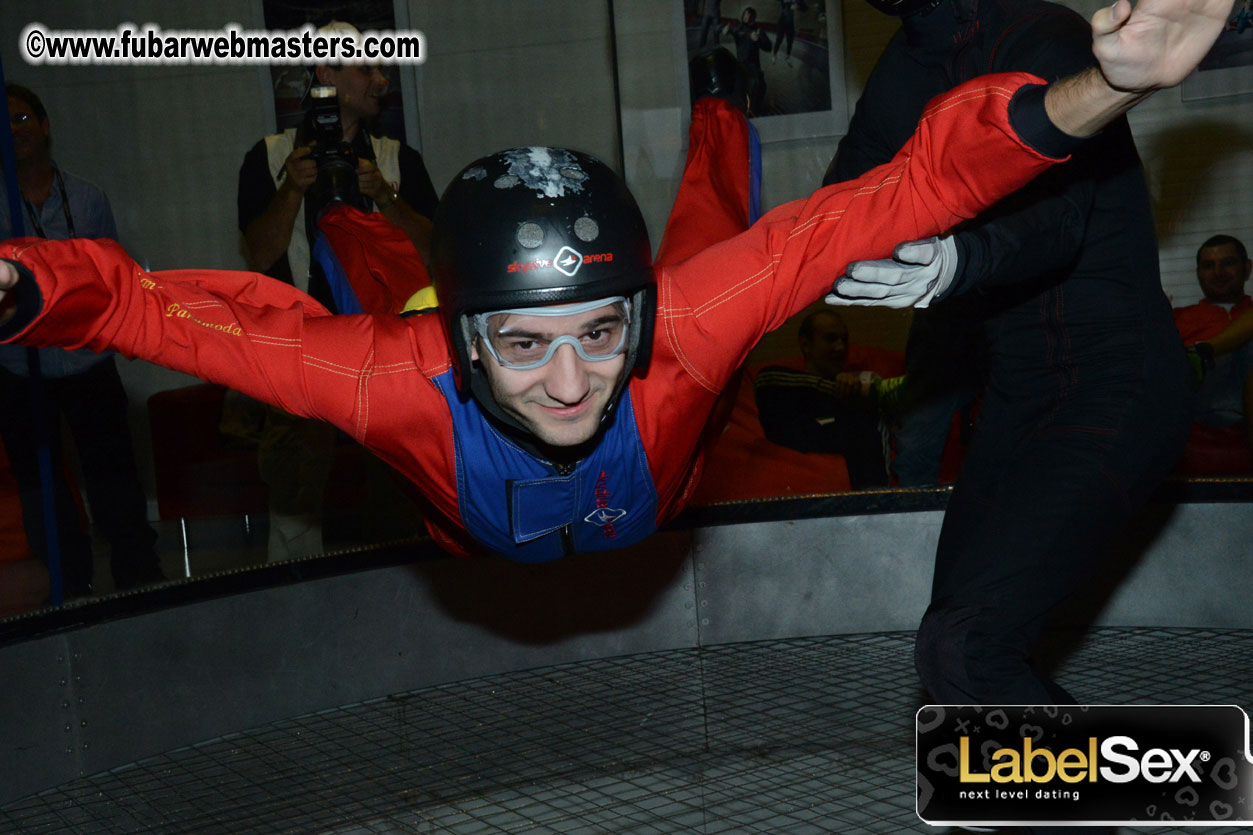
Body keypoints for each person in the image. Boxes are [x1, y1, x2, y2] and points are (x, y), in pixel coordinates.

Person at [0, 0, 1232, 564]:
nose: (575, 381)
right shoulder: (389, 380)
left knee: (714, 236)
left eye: (598, 330)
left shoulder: (673, 329)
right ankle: (372, 231)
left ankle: (708, 123)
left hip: (656, 346)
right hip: (423, 349)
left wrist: (1104, 84)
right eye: (527, 347)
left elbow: (900, 192)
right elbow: (142, 307)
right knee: (373, 276)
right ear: (473, 350)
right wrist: (20, 283)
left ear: (630, 319)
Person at [823, 2, 1199, 831]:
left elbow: (1058, 216)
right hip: (1020, 396)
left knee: (963, 646)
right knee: (957, 674)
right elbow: (840, 205)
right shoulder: (907, 60)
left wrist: (960, 257)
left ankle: (1167, 812)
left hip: (1115, 382)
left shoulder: (1044, 36)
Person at [235, 20, 441, 560]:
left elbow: (436, 256)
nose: (381, 80)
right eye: (368, 67)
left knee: (401, 481)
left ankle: (409, 587)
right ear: (326, 71)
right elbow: (259, 255)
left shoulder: (398, 161)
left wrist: (387, 198)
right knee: (294, 491)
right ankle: (295, 601)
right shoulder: (269, 158)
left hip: (385, 347)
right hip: (299, 342)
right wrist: (292, 189)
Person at [0, 84, 163, 596]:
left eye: (23, 119)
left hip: (88, 361)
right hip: (18, 370)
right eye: (4, 125)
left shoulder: (88, 198)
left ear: (46, 126)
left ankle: (138, 582)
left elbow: (114, 278)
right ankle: (68, 594)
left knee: (115, 477)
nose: (15, 131)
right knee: (40, 489)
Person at [753, 310, 891, 488]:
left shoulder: (863, 382)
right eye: (830, 339)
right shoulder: (784, 389)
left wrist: (855, 391)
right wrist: (836, 387)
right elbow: (766, 381)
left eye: (844, 340)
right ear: (806, 345)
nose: (840, 347)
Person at [1173, 234, 1253, 457]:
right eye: (1208, 266)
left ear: (1247, 268)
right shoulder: (1176, 319)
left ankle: (1203, 351)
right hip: (1198, 401)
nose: (1218, 272)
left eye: (1228, 263)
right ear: (1198, 274)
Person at [723, 7, 772, 115]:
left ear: (754, 18)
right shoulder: (738, 29)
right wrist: (725, 30)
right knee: (737, 87)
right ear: (743, 16)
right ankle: (736, 110)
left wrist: (758, 39)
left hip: (753, 65)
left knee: (760, 85)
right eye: (746, 15)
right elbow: (726, 31)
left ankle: (755, 110)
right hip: (741, 64)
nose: (748, 17)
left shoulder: (758, 31)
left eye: (750, 16)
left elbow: (769, 47)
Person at [772, 0, 807, 66]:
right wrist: (790, 6)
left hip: (790, 23)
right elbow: (784, 5)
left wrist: (798, 6)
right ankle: (774, 55)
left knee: (790, 41)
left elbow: (804, 8)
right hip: (782, 22)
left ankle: (787, 56)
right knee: (779, 39)